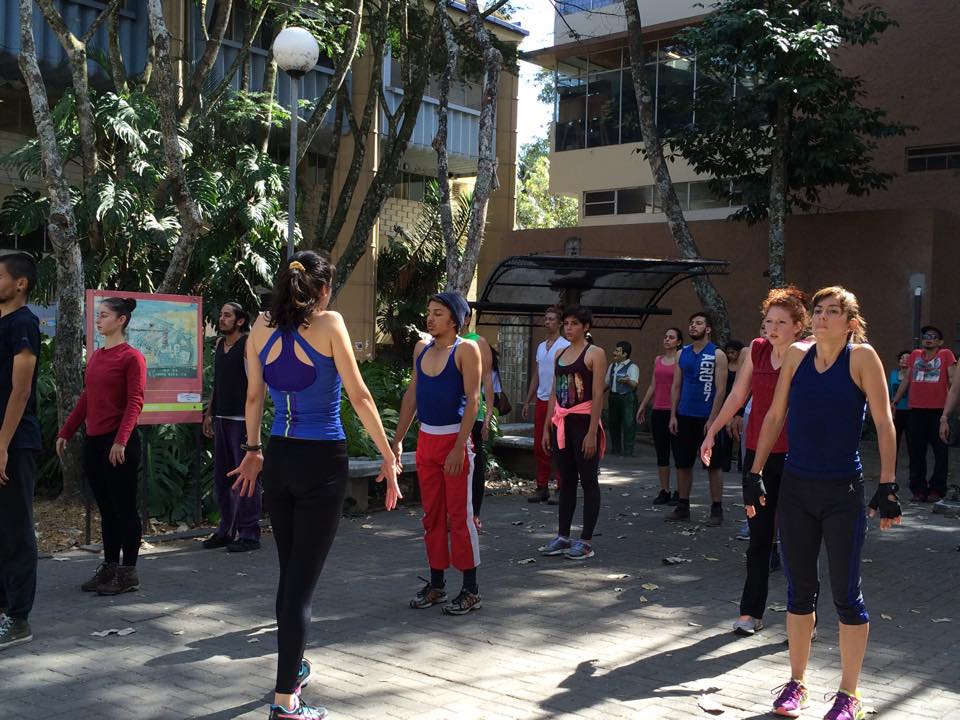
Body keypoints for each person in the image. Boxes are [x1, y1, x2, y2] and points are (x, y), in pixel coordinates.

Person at [229, 252, 401, 720]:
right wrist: (388, 455)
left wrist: (251, 450)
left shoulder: (259, 329)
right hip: (322, 463)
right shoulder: (329, 324)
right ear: (323, 289)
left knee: (291, 576)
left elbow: (252, 396)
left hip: (278, 459)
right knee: (300, 587)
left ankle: (294, 665)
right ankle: (286, 701)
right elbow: (360, 394)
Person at [748, 286, 901, 720]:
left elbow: (884, 421)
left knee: (846, 596)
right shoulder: (797, 354)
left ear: (850, 322)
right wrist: (754, 471)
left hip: (843, 492)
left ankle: (848, 694)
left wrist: (888, 486)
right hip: (796, 487)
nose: (822, 317)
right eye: (818, 310)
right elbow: (776, 415)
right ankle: (796, 684)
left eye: (833, 311)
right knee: (799, 592)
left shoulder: (862, 357)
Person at [700, 287, 810, 637]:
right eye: (767, 321)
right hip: (756, 456)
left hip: (797, 456)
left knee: (798, 541)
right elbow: (737, 394)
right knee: (759, 538)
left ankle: (805, 618)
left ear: (798, 325)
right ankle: (751, 612)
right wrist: (713, 430)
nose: (771, 328)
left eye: (781, 322)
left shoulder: (807, 354)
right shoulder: (756, 351)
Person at [393, 292, 483, 616]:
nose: (430, 318)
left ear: (455, 320)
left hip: (454, 442)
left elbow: (473, 400)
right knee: (432, 517)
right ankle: (437, 585)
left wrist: (460, 445)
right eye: (429, 312)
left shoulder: (466, 350)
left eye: (438, 313)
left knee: (459, 517)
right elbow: (411, 396)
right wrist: (398, 439)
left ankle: (471, 590)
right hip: (427, 442)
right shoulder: (422, 349)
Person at [57, 297, 146, 596]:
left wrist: (121, 440)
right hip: (95, 442)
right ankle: (109, 566)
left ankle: (128, 572)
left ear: (121, 320)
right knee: (107, 510)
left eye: (104, 315)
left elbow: (135, 401)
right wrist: (66, 431)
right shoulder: (96, 356)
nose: (98, 320)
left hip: (119, 443)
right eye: (98, 315)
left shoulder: (132, 357)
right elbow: (86, 398)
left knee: (124, 509)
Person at [539, 305, 607, 560]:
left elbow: (598, 394)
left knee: (588, 481)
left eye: (574, 323)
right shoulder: (560, 353)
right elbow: (554, 394)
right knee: (565, 480)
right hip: (562, 423)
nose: (569, 327)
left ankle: (586, 541)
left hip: (583, 422)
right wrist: (548, 428)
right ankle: (563, 536)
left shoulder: (595, 353)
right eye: (566, 323)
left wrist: (592, 432)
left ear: (586, 327)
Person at [0, 253, 41, 650]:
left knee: (16, 530)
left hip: (14, 443)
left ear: (20, 283)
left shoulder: (24, 323)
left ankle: (18, 618)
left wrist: (2, 444)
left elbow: (21, 390)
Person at [202, 302, 261, 552]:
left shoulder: (247, 346)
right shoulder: (218, 346)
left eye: (228, 315)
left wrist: (252, 423)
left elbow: (257, 386)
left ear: (240, 320)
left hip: (242, 421)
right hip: (222, 419)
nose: (222, 318)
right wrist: (209, 413)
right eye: (221, 314)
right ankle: (227, 530)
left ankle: (249, 533)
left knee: (246, 478)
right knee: (223, 478)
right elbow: (218, 382)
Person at [665, 312, 728, 525]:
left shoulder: (717, 354)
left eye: (699, 323)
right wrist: (673, 414)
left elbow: (721, 390)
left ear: (708, 329)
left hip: (707, 418)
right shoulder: (682, 354)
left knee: (713, 465)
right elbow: (676, 386)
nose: (693, 326)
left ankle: (717, 509)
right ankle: (683, 506)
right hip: (684, 415)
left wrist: (714, 419)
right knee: (683, 463)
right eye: (691, 323)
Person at [890, 326, 955, 502]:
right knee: (916, 452)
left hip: (938, 411)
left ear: (940, 342)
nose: (929, 339)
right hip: (916, 411)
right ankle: (918, 489)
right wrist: (895, 402)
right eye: (926, 336)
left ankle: (937, 489)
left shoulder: (946, 354)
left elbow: (953, 382)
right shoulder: (915, 355)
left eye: (933, 337)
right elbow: (906, 381)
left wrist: (948, 414)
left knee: (940, 452)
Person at [521, 306, 570, 503]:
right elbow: (537, 374)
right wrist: (527, 400)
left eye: (552, 319)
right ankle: (541, 486)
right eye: (546, 318)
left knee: (559, 444)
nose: (548, 322)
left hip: (560, 402)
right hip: (541, 401)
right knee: (540, 445)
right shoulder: (541, 347)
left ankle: (561, 487)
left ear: (559, 323)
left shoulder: (565, 345)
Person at [637, 327, 683, 505]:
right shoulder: (658, 360)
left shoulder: (681, 360)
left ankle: (680, 492)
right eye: (666, 336)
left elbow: (680, 386)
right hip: (658, 410)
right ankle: (664, 490)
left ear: (678, 342)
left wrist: (677, 411)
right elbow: (653, 385)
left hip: (676, 412)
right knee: (661, 453)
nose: (667, 340)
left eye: (671, 337)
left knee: (679, 454)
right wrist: (643, 405)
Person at [460, 309, 495, 523]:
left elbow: (488, 378)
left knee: (475, 463)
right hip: (449, 415)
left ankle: (474, 515)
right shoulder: (441, 343)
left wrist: (489, 413)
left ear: (466, 318)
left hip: (474, 412)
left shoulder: (477, 341)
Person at [604, 340, 639, 456]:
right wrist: (597, 393)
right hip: (613, 397)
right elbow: (607, 383)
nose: (614, 352)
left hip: (627, 398)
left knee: (628, 423)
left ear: (624, 354)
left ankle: (628, 450)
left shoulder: (632, 366)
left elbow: (634, 384)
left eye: (617, 351)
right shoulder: (612, 366)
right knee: (613, 422)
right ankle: (616, 448)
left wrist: (627, 381)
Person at [888, 350, 911, 466]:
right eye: (902, 358)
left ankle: (914, 478)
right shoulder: (893, 373)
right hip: (895, 412)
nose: (904, 359)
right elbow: (888, 391)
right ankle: (892, 476)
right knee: (893, 444)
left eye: (907, 358)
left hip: (911, 412)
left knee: (913, 445)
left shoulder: (914, 375)